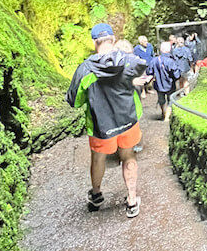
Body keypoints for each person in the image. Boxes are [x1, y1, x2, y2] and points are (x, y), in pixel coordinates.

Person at [66, 23, 145, 218]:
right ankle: (132, 201)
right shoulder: (128, 61)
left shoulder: (85, 69)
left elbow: (74, 101)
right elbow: (140, 75)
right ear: (113, 40)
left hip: (101, 125)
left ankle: (97, 194)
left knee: (98, 158)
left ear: (94, 42)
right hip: (128, 120)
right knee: (128, 156)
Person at [149, 41, 181, 121]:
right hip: (170, 84)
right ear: (169, 49)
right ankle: (167, 117)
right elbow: (176, 75)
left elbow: (149, 72)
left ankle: (163, 113)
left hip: (158, 84)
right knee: (171, 100)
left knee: (161, 100)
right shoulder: (171, 61)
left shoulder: (154, 60)